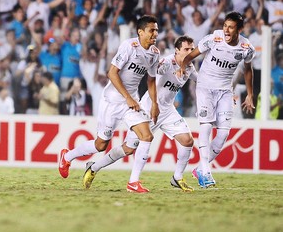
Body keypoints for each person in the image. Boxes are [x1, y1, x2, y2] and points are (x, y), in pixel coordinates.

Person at [81, 36, 199, 192]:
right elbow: (156, 71)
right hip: (149, 109)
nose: (190, 52)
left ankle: (177, 177)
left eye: (192, 49)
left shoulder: (190, 67)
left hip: (168, 111)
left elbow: (202, 81)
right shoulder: (166, 62)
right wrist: (175, 70)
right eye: (186, 49)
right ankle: (94, 167)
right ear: (177, 50)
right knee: (128, 149)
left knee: (187, 140)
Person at [58, 15, 160, 193]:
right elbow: (112, 73)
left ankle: (133, 182)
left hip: (131, 102)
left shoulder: (154, 53)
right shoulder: (129, 46)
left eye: (156, 30)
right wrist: (128, 97)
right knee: (101, 145)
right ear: (140, 32)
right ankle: (67, 156)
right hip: (112, 100)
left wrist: (154, 104)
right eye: (152, 30)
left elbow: (151, 81)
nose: (155, 34)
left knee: (146, 137)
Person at [179, 12, 255, 188]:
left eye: (231, 27)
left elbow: (248, 70)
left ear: (240, 29)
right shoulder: (213, 38)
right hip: (205, 87)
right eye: (225, 26)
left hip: (225, 91)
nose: (226, 30)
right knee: (205, 125)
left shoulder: (246, 47)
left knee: (223, 134)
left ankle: (199, 168)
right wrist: (182, 68)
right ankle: (205, 170)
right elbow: (190, 57)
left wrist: (250, 94)